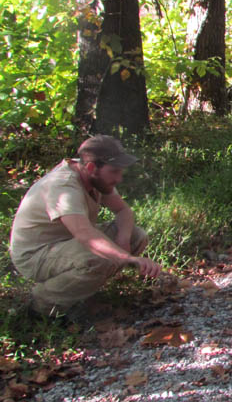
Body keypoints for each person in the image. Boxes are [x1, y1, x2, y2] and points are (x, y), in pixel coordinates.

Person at [9, 135, 162, 319]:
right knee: (97, 257)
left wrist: (123, 240)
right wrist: (127, 257)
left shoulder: (94, 174)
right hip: (35, 254)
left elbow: (123, 211)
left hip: (66, 243)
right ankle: (42, 304)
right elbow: (85, 235)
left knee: (135, 236)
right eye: (114, 171)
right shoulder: (63, 186)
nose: (119, 178)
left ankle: (79, 289)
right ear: (91, 168)